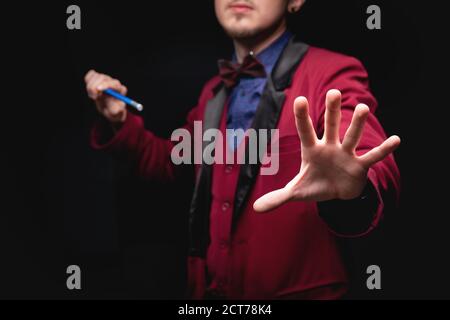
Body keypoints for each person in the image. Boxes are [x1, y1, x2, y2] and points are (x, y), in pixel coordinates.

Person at [85, 0, 400, 299]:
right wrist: (119, 120)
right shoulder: (212, 92)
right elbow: (167, 163)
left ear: (295, 1)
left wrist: (355, 187)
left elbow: (366, 156)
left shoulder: (332, 72)